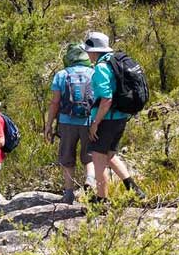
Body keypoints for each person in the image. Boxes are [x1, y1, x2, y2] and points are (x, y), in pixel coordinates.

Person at [84, 32, 146, 203]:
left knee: (98, 158)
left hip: (106, 119)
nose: (87, 54)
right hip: (121, 117)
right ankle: (134, 189)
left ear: (94, 51)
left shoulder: (101, 68)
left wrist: (96, 123)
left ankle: (101, 199)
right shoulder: (116, 61)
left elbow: (106, 99)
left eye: (88, 51)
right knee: (110, 154)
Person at [44, 44, 98, 204]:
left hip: (67, 121)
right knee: (90, 155)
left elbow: (55, 102)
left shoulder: (61, 75)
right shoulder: (94, 73)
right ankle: (90, 179)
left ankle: (68, 193)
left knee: (67, 156)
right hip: (89, 120)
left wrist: (49, 124)